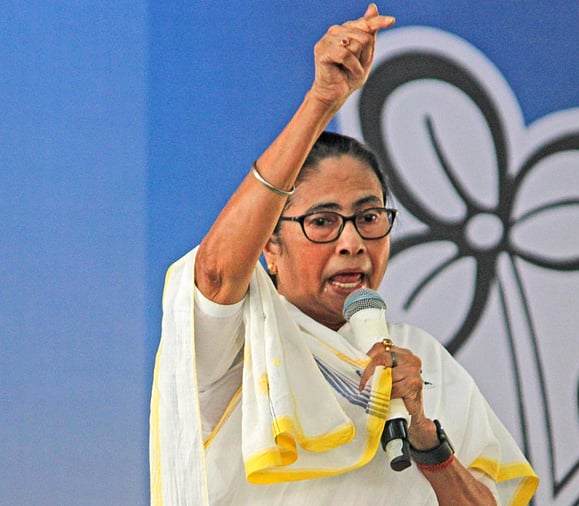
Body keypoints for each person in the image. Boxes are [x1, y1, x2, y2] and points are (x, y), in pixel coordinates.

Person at [150, 4, 538, 505]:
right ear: (271, 245)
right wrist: (321, 101)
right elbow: (216, 274)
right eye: (323, 222)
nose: (352, 242)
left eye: (369, 217)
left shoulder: (423, 364)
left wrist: (425, 437)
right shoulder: (238, 345)